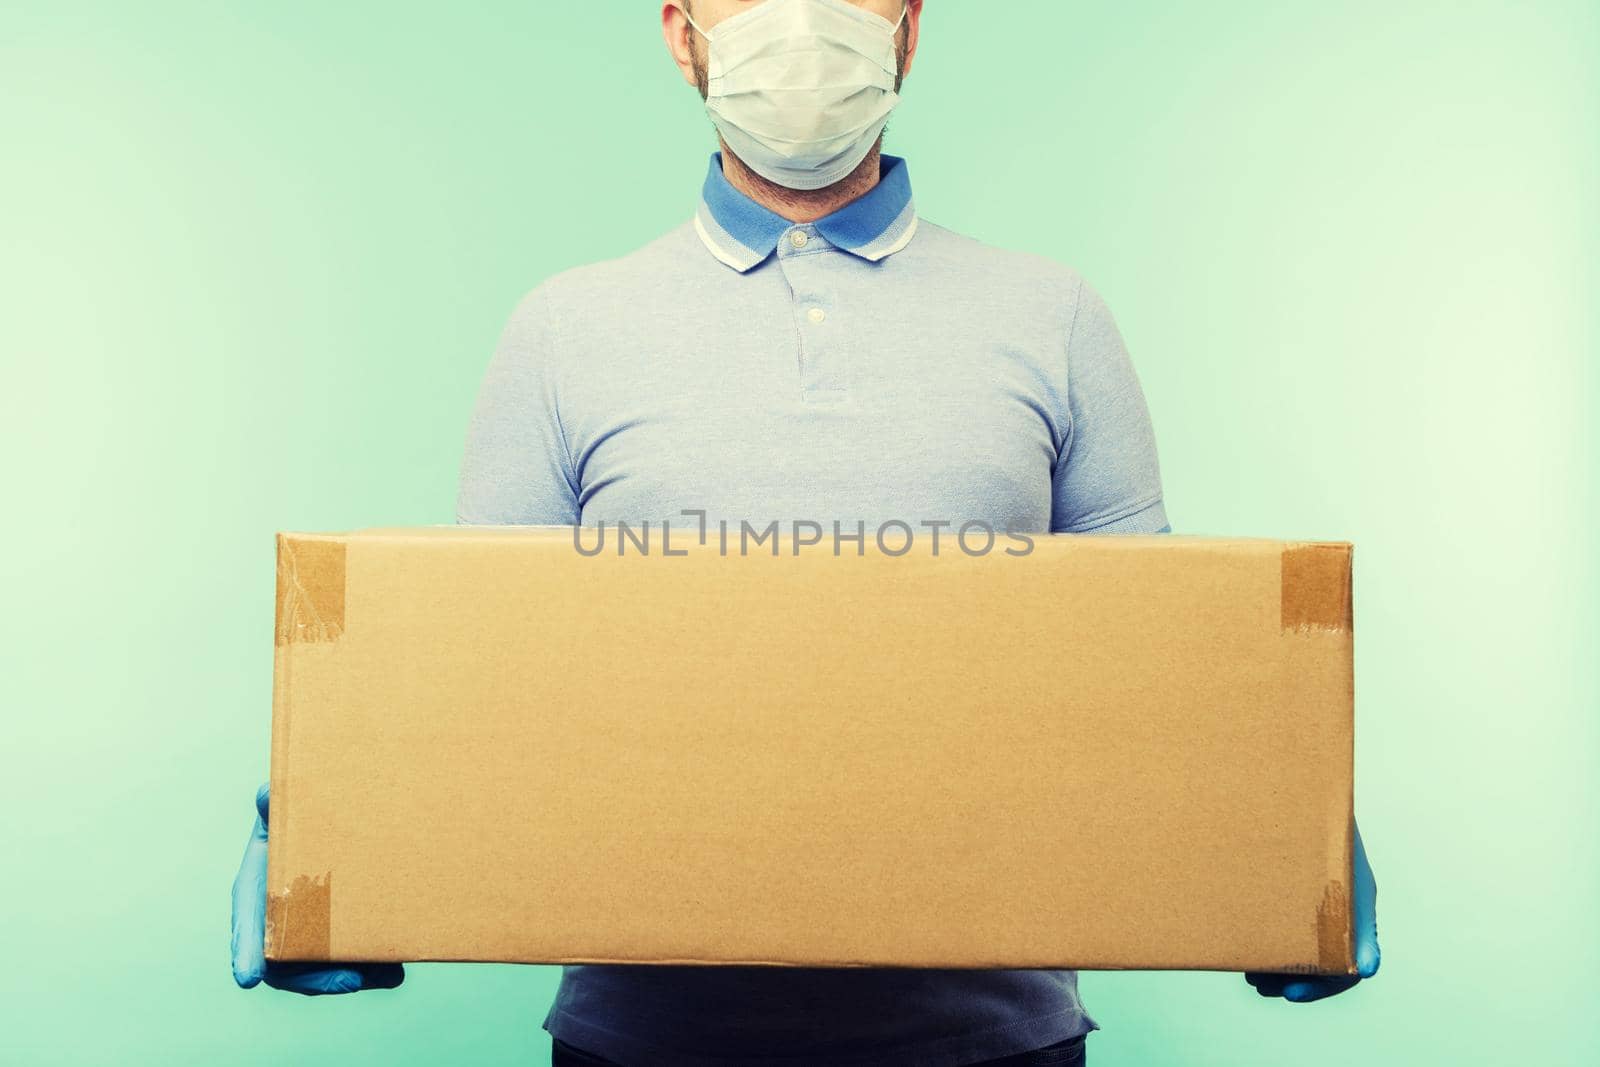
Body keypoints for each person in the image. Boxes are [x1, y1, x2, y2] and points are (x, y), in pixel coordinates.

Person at [231, 2, 1382, 1064]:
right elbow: (476, 673)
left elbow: (1158, 662)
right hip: (643, 1039)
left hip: (995, 1040)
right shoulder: (563, 329)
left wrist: (1276, 846)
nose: (799, 23)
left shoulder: (1055, 314)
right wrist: (350, 840)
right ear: (682, 34)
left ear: (908, 32)